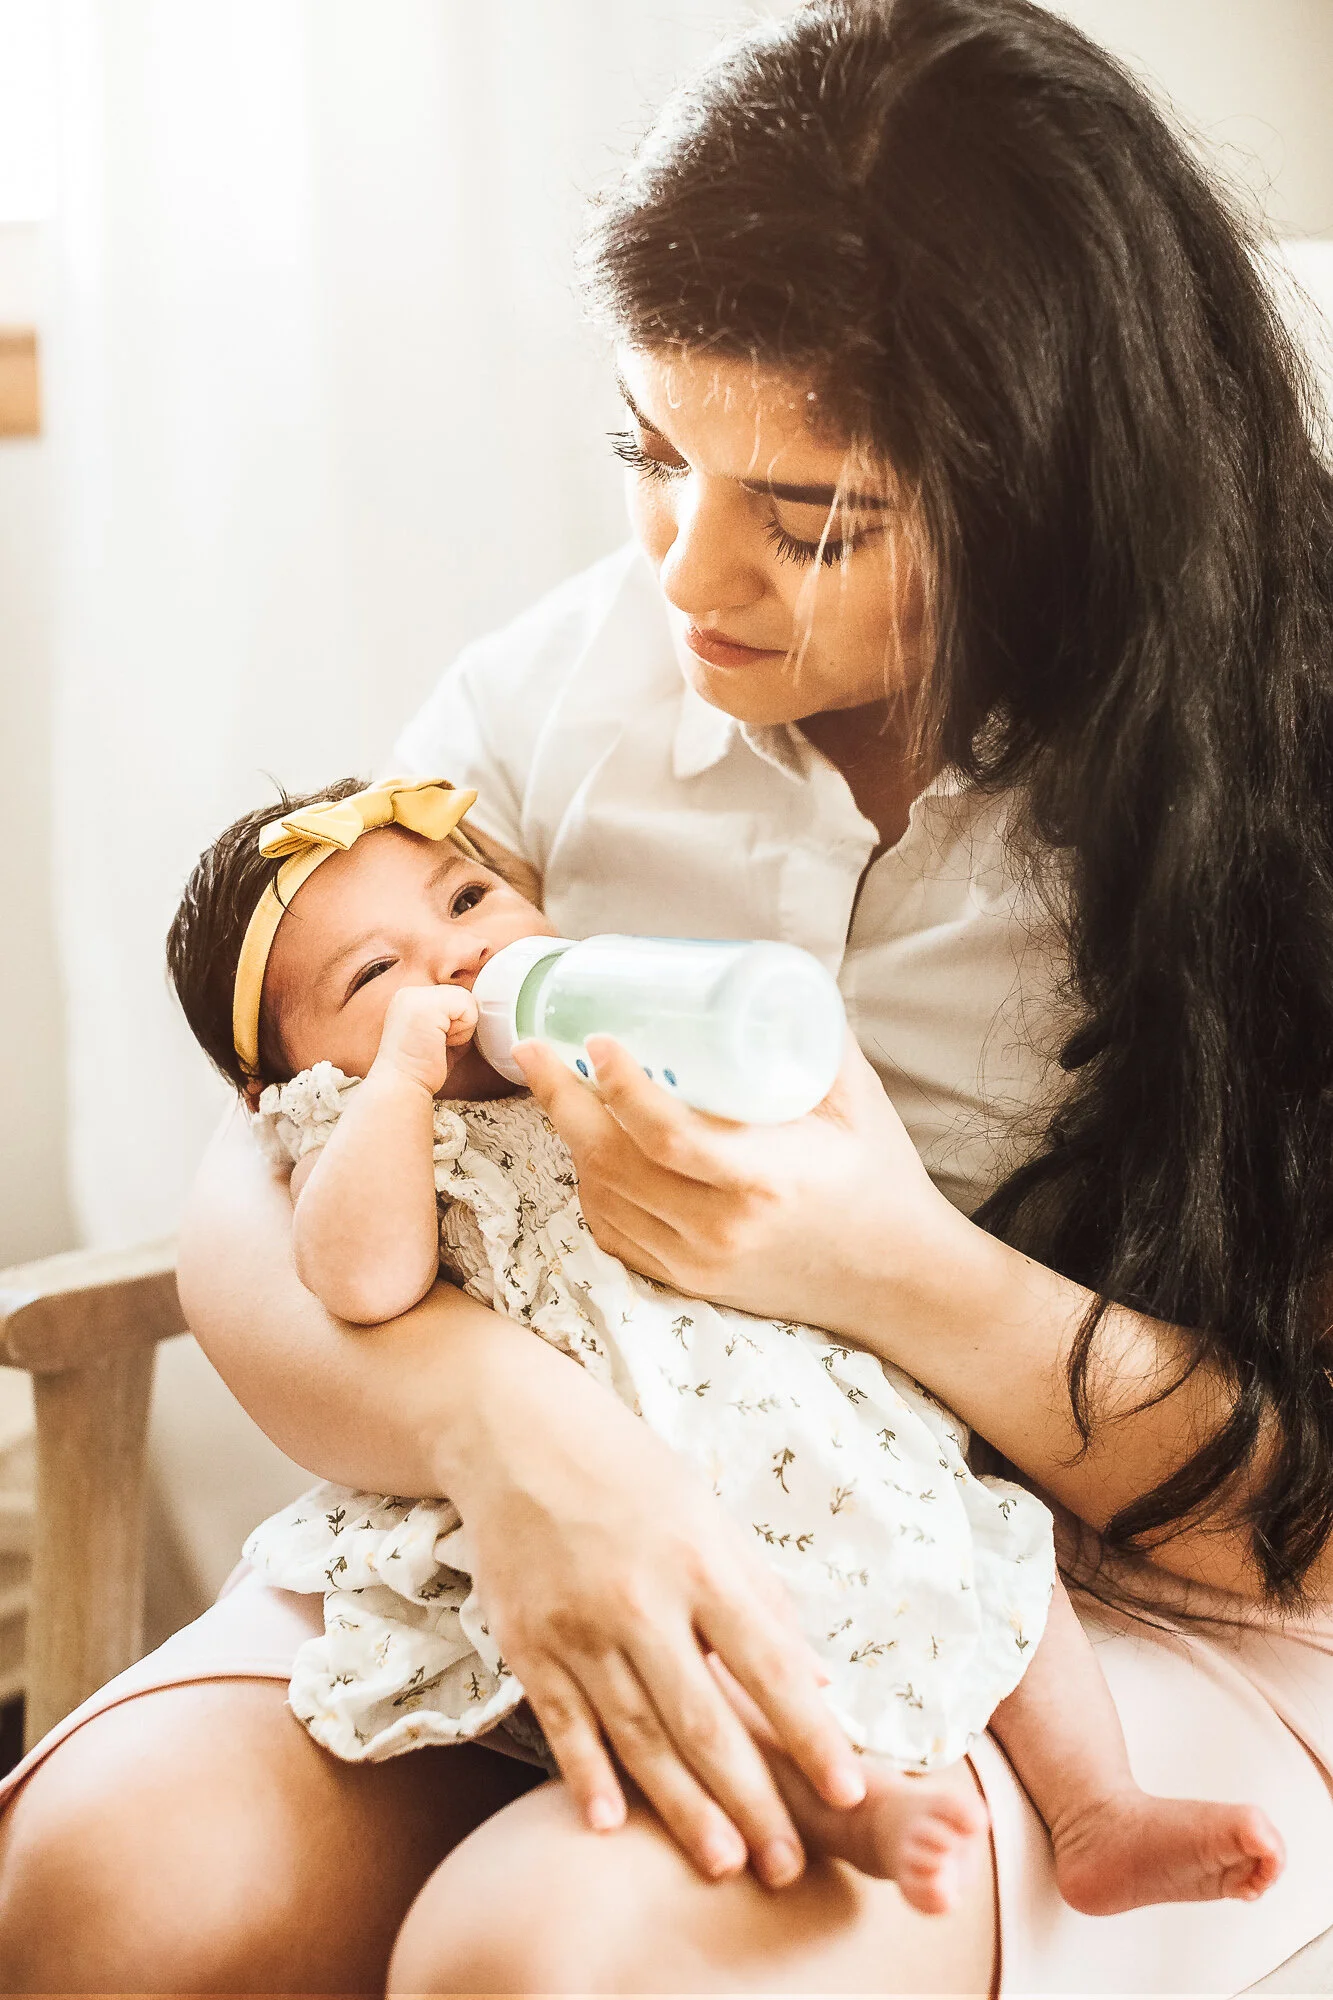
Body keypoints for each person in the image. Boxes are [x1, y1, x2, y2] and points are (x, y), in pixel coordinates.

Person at [3, 0, 1333, 1990]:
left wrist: (877, 1264)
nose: (684, 576)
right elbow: (261, 1166)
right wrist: (517, 1439)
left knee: (548, 1957)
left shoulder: (1279, 785)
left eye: (809, 518)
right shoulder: (563, 696)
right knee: (113, 1890)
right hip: (562, 1493)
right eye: (649, 449)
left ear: (1057, 487)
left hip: (1113, 1603)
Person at [160, 767, 1283, 1920]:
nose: (456, 957)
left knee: (994, 1552)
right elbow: (361, 1277)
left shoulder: (598, 1029)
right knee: (696, 1641)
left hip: (793, 1408)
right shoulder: (357, 1124)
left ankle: (1098, 1805)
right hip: (616, 1463)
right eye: (374, 973)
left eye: (465, 899)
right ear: (276, 1084)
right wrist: (400, 1079)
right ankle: (850, 1805)